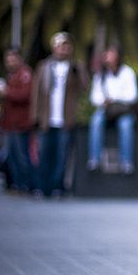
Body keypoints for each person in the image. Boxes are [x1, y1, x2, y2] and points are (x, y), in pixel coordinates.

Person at [30, 32, 88, 198]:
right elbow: (36, 94)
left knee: (62, 157)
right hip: (46, 119)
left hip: (66, 119)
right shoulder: (43, 67)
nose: (64, 49)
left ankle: (57, 187)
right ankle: (42, 188)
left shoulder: (76, 66)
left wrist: (79, 72)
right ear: (54, 47)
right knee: (44, 155)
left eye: (67, 45)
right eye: (61, 45)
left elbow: (85, 89)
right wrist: (35, 117)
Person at [86, 45, 138, 175]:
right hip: (106, 111)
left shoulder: (127, 72)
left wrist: (114, 99)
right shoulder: (100, 75)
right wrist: (103, 101)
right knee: (96, 121)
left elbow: (133, 96)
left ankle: (126, 162)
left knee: (125, 125)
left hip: (123, 111)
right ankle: (94, 159)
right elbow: (94, 97)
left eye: (111, 54)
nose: (108, 57)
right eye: (107, 55)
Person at [0, 48, 35, 193]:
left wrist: (7, 92)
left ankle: (26, 186)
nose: (10, 62)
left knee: (22, 156)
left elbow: (25, 95)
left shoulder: (25, 74)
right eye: (8, 59)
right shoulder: (10, 76)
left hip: (21, 124)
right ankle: (16, 185)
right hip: (9, 124)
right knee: (11, 157)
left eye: (13, 59)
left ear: (19, 59)